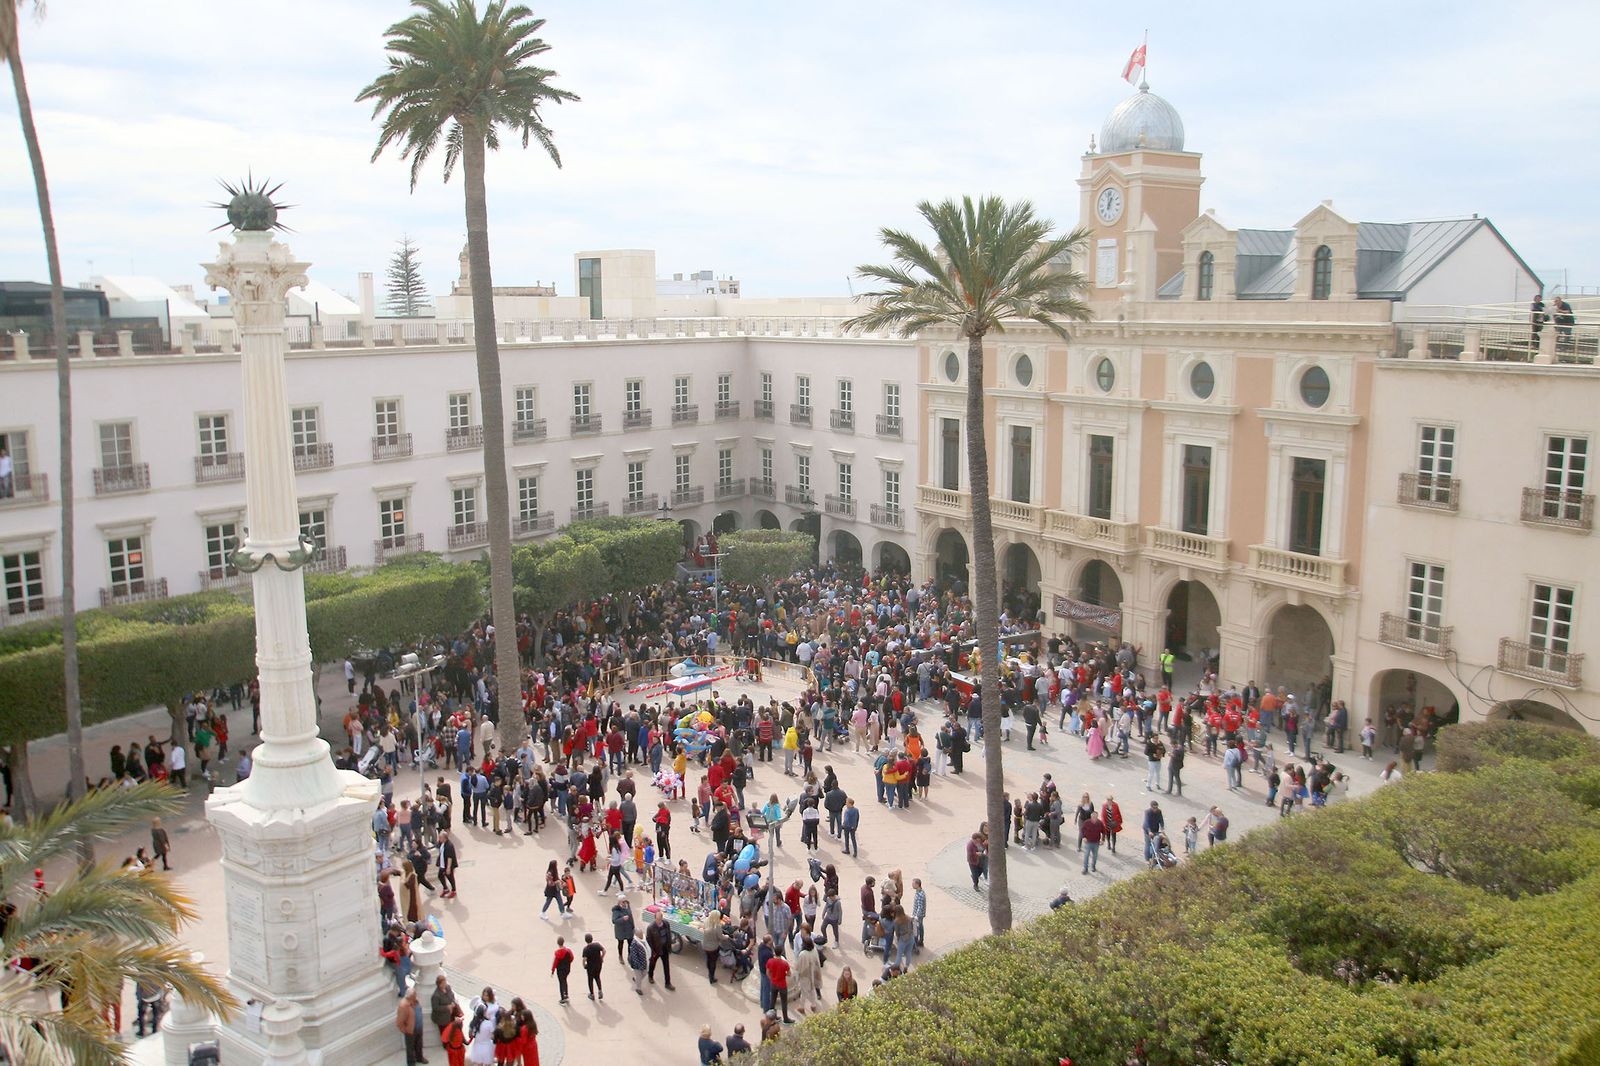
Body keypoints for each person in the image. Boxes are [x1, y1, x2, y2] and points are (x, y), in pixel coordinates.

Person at [465, 989, 498, 1066]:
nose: (485, 997)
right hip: (485, 1041)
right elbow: (475, 1018)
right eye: (484, 995)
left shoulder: (493, 1004)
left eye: (487, 995)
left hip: (483, 1040)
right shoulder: (486, 1022)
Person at [395, 986, 425, 1066]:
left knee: (419, 1044)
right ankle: (411, 1062)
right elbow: (399, 1022)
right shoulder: (403, 1006)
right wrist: (406, 1030)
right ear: (410, 996)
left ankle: (419, 1058)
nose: (416, 996)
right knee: (410, 1048)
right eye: (414, 995)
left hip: (419, 1028)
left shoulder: (416, 1001)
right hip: (410, 1030)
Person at [646, 911, 676, 989]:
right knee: (653, 963)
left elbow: (668, 934)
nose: (659, 921)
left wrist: (669, 945)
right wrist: (653, 951)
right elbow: (648, 940)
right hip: (656, 950)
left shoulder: (666, 924)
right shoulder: (650, 928)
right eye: (657, 919)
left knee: (666, 966)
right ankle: (650, 975)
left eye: (660, 919)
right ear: (655, 918)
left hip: (665, 948)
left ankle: (668, 983)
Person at [765, 948, 793, 1023]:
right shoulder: (784, 963)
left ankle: (771, 1017)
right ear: (781, 953)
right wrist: (784, 974)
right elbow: (789, 974)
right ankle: (786, 1018)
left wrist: (771, 979)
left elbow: (767, 972)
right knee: (784, 1002)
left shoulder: (770, 961)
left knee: (772, 1000)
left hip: (774, 983)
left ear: (774, 952)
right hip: (782, 984)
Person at [581, 933, 605, 1000]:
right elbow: (604, 951)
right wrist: (601, 958)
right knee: (597, 977)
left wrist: (584, 965)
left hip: (590, 966)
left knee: (590, 979)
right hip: (598, 964)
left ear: (585, 940)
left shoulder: (585, 949)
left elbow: (584, 959)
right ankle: (600, 991)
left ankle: (592, 994)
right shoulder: (597, 945)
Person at [550, 938, 574, 1004]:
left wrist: (552, 971)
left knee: (561, 983)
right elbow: (572, 958)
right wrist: (568, 963)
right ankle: (566, 994)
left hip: (560, 970)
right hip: (567, 969)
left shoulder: (557, 952)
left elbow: (555, 962)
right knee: (565, 980)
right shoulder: (568, 950)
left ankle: (562, 998)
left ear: (558, 943)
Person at [438, 831, 459, 899]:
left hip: (447, 865)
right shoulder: (442, 843)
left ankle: (453, 890)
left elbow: (450, 858)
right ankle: (445, 889)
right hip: (442, 864)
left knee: (450, 877)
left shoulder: (449, 845)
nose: (439, 839)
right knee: (440, 876)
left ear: (445, 838)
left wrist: (448, 868)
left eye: (440, 837)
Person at [627, 931, 648, 995]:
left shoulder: (644, 940)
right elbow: (634, 956)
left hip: (644, 962)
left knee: (644, 973)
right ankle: (638, 988)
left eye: (642, 934)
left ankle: (636, 979)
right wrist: (639, 966)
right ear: (637, 936)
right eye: (640, 935)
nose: (641, 935)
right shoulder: (634, 944)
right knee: (639, 976)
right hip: (637, 964)